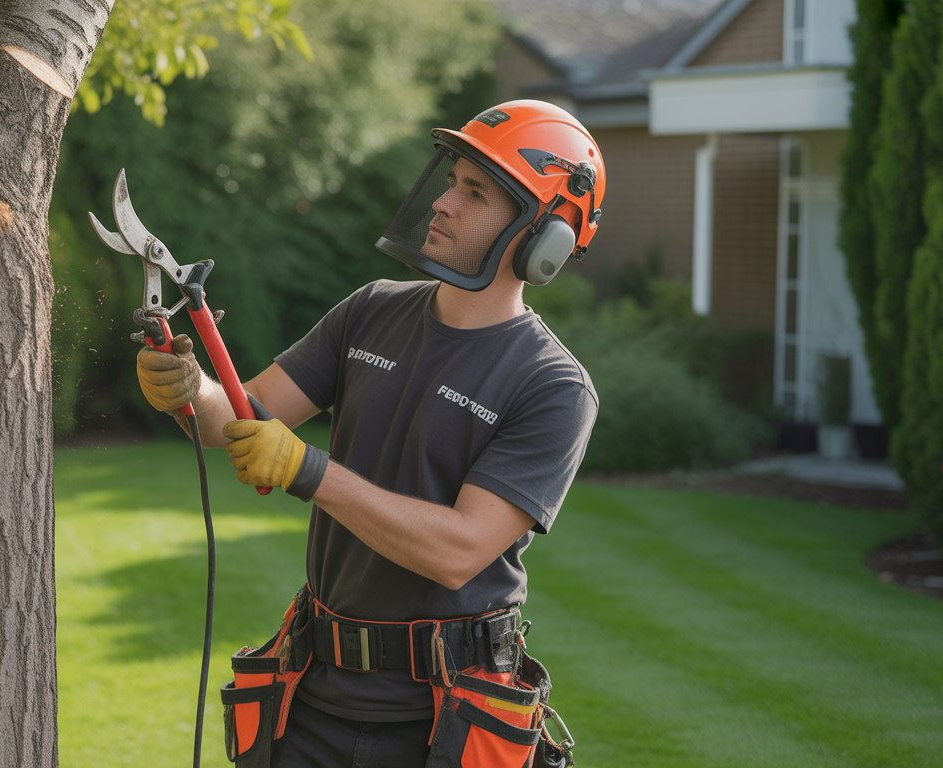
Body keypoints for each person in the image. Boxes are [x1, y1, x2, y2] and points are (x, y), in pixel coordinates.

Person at [137, 100, 603, 768]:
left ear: (543, 238)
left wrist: (308, 471)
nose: (444, 204)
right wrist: (191, 390)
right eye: (452, 182)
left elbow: (458, 549)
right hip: (312, 695)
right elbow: (245, 418)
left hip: (443, 717)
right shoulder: (371, 310)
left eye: (475, 193)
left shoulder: (552, 386)